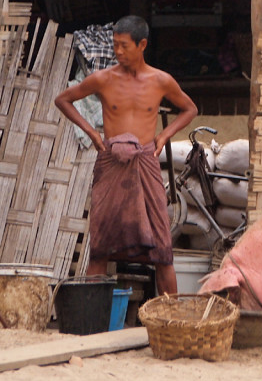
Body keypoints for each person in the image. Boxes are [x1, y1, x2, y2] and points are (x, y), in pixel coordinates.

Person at [54, 15, 197, 296]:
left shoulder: (161, 81)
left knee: (162, 248)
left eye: (123, 46)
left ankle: (171, 318)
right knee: (100, 246)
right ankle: (93, 316)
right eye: (115, 45)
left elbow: (190, 108)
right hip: (110, 163)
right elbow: (64, 100)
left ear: (142, 45)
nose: (118, 52)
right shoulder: (104, 79)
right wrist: (93, 134)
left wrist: (164, 135)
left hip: (146, 161)